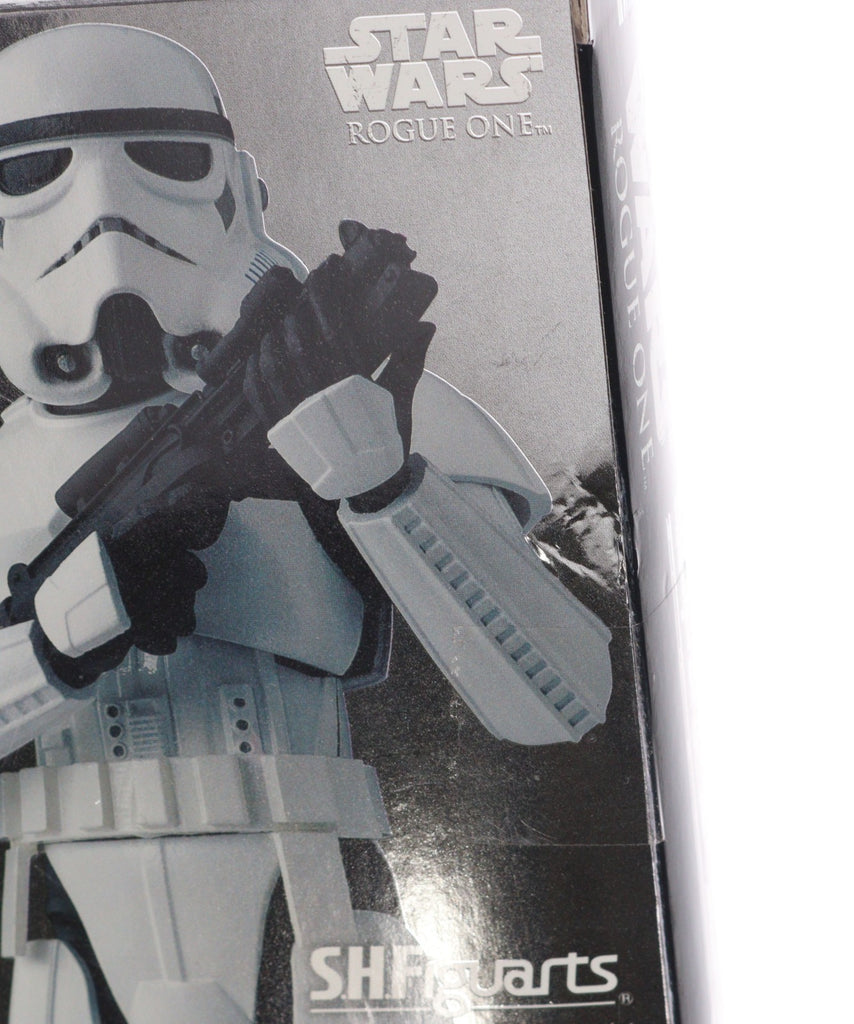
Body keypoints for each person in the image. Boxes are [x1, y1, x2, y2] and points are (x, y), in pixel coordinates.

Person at [0, 22, 613, 1024]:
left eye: (160, 160)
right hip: (61, 915)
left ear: (235, 188)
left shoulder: (363, 400)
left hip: (312, 887)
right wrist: (55, 639)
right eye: (33, 175)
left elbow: (564, 697)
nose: (103, 215)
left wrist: (385, 485)